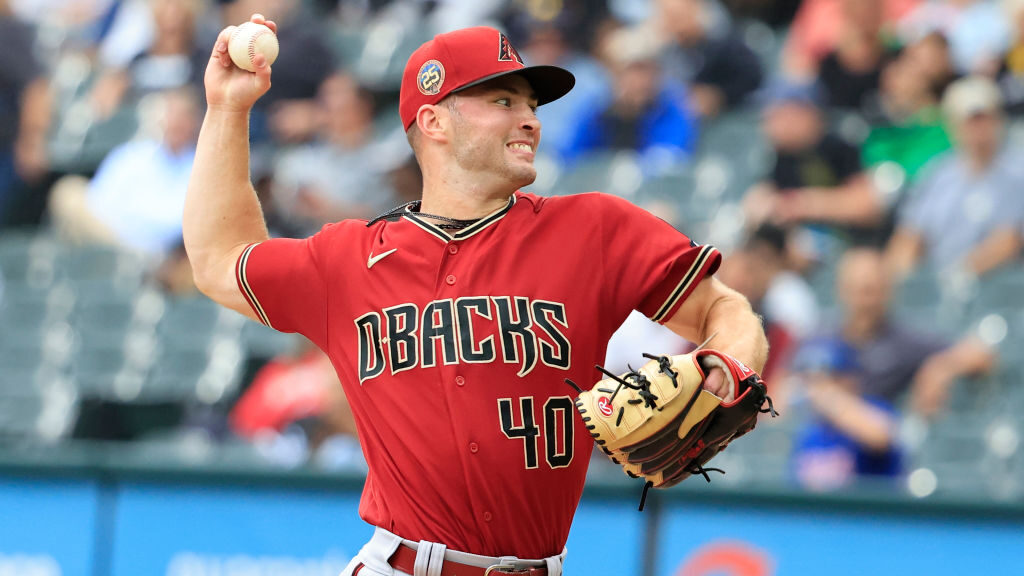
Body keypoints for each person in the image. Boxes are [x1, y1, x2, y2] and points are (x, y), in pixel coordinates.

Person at [185, 16, 768, 576]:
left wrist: (728, 361)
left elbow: (726, 308)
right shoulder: (347, 260)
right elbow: (218, 260)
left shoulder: (593, 229)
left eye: (532, 106)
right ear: (435, 121)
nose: (530, 120)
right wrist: (227, 108)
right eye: (503, 102)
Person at [824, 248, 995, 416]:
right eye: (861, 291)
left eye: (876, 291)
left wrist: (942, 366)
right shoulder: (821, 339)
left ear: (889, 293)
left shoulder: (904, 340)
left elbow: (980, 354)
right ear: (841, 291)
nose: (867, 302)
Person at [886, 75, 1024, 280]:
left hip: (1002, 289)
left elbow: (1010, 239)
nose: (977, 129)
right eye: (969, 121)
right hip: (940, 287)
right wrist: (900, 276)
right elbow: (910, 233)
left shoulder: (1017, 170)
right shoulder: (939, 173)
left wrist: (961, 273)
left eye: (983, 118)